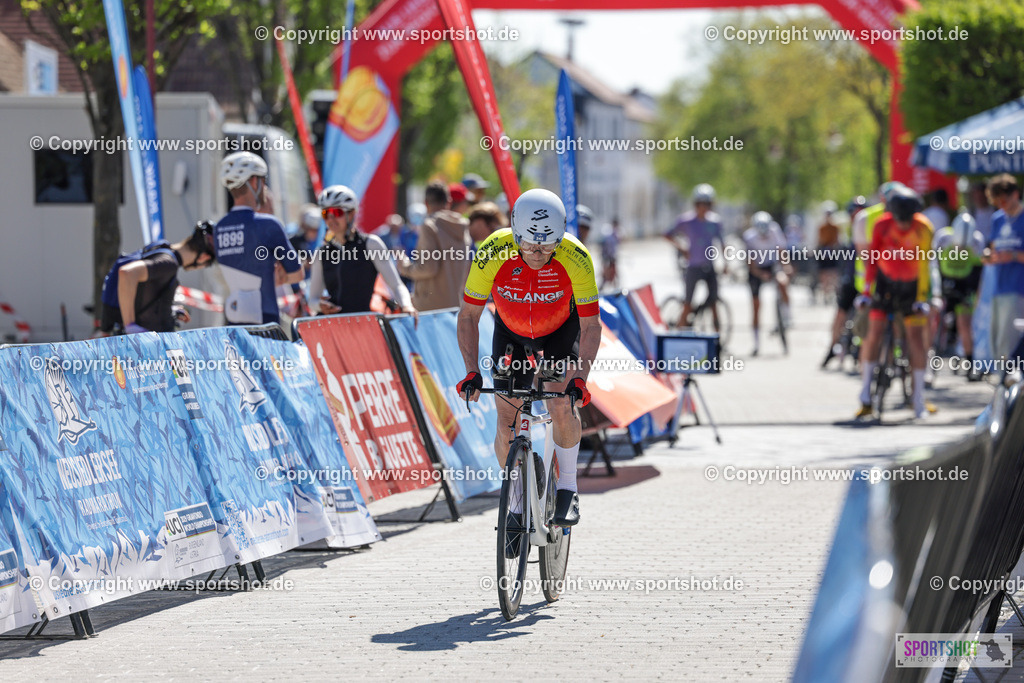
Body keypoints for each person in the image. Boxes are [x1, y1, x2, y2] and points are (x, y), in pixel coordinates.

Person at [456, 188, 601, 549]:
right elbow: (469, 315)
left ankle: (567, 486)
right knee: (506, 418)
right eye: (529, 243)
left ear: (560, 236)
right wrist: (472, 371)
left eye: (547, 245)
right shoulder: (492, 251)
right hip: (512, 333)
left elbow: (591, 326)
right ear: (515, 233)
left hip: (560, 331)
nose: (537, 252)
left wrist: (580, 379)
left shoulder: (576, 257)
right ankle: (518, 504)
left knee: (560, 402)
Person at [855, 187, 935, 419]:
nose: (902, 225)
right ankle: (865, 393)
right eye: (899, 220)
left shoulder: (923, 228)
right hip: (885, 284)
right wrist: (867, 292)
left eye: (906, 220)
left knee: (915, 338)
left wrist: (922, 299)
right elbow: (872, 260)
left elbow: (925, 265)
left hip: (912, 287)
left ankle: (918, 398)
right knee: (874, 332)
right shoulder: (881, 225)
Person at [215, 151, 304, 325]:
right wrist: (275, 276)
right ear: (255, 182)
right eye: (264, 181)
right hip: (265, 320)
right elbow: (297, 274)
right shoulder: (269, 225)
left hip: (233, 320)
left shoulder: (219, 228)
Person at [309, 184, 416, 318]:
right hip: (333, 325)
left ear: (351, 213)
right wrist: (319, 305)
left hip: (362, 324)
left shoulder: (371, 244)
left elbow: (396, 285)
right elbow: (312, 299)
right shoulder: (321, 253)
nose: (331, 219)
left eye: (337, 213)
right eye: (326, 214)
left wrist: (407, 305)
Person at [100, 222, 217, 334]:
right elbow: (127, 273)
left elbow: (144, 293)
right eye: (207, 264)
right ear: (204, 257)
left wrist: (168, 310)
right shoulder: (168, 263)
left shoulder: (162, 249)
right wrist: (130, 325)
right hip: (140, 343)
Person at [396, 181, 473, 311]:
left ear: (426, 203)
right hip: (455, 304)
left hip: (429, 308)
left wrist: (404, 266)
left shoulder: (429, 226)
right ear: (449, 202)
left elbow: (428, 267)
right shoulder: (462, 227)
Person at [664, 184, 725, 330]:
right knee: (688, 302)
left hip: (709, 265)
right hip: (693, 266)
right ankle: (678, 333)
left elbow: (722, 244)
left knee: (714, 302)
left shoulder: (715, 222)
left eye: (707, 204)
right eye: (700, 204)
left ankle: (717, 338)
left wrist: (726, 264)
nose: (703, 207)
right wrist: (682, 248)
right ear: (695, 204)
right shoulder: (686, 221)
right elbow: (668, 234)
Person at [933, 212, 985, 380]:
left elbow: (978, 272)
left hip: (965, 284)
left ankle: (970, 363)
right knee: (933, 318)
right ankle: (928, 359)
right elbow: (933, 265)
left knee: (964, 324)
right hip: (944, 280)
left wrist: (974, 295)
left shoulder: (977, 241)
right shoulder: (943, 237)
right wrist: (937, 290)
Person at [982, 174, 1024, 360]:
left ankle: (1007, 376)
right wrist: (988, 257)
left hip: (1019, 288)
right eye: (996, 202)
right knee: (996, 341)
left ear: (1015, 195)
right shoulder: (997, 219)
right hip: (998, 287)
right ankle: (1003, 376)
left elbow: (1010, 254)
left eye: (1004, 200)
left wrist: (1013, 255)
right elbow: (993, 249)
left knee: (1009, 343)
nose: (1001, 205)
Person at [822, 196, 867, 369]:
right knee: (840, 314)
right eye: (853, 213)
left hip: (866, 281)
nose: (856, 216)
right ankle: (832, 347)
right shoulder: (848, 230)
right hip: (852, 279)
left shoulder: (869, 228)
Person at [743, 212, 790, 356]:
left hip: (771, 264)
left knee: (783, 282)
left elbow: (782, 252)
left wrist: (786, 266)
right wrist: (760, 274)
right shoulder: (749, 237)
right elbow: (750, 262)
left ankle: (787, 316)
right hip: (756, 268)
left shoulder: (774, 230)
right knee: (756, 305)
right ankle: (756, 342)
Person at [816, 201, 841, 302]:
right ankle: (825, 293)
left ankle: (832, 292)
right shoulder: (822, 227)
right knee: (824, 273)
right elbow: (820, 240)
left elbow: (837, 240)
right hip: (824, 250)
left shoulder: (835, 227)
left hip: (832, 251)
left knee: (833, 273)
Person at [290, 205, 322, 280]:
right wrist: (304, 263)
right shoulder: (295, 241)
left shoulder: (323, 242)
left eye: (316, 230)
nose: (314, 233)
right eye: (311, 229)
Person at [600, 218, 621, 290]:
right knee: (607, 274)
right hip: (608, 258)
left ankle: (616, 288)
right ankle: (602, 288)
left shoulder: (615, 234)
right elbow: (608, 248)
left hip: (611, 257)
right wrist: (609, 257)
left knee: (613, 274)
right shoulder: (610, 235)